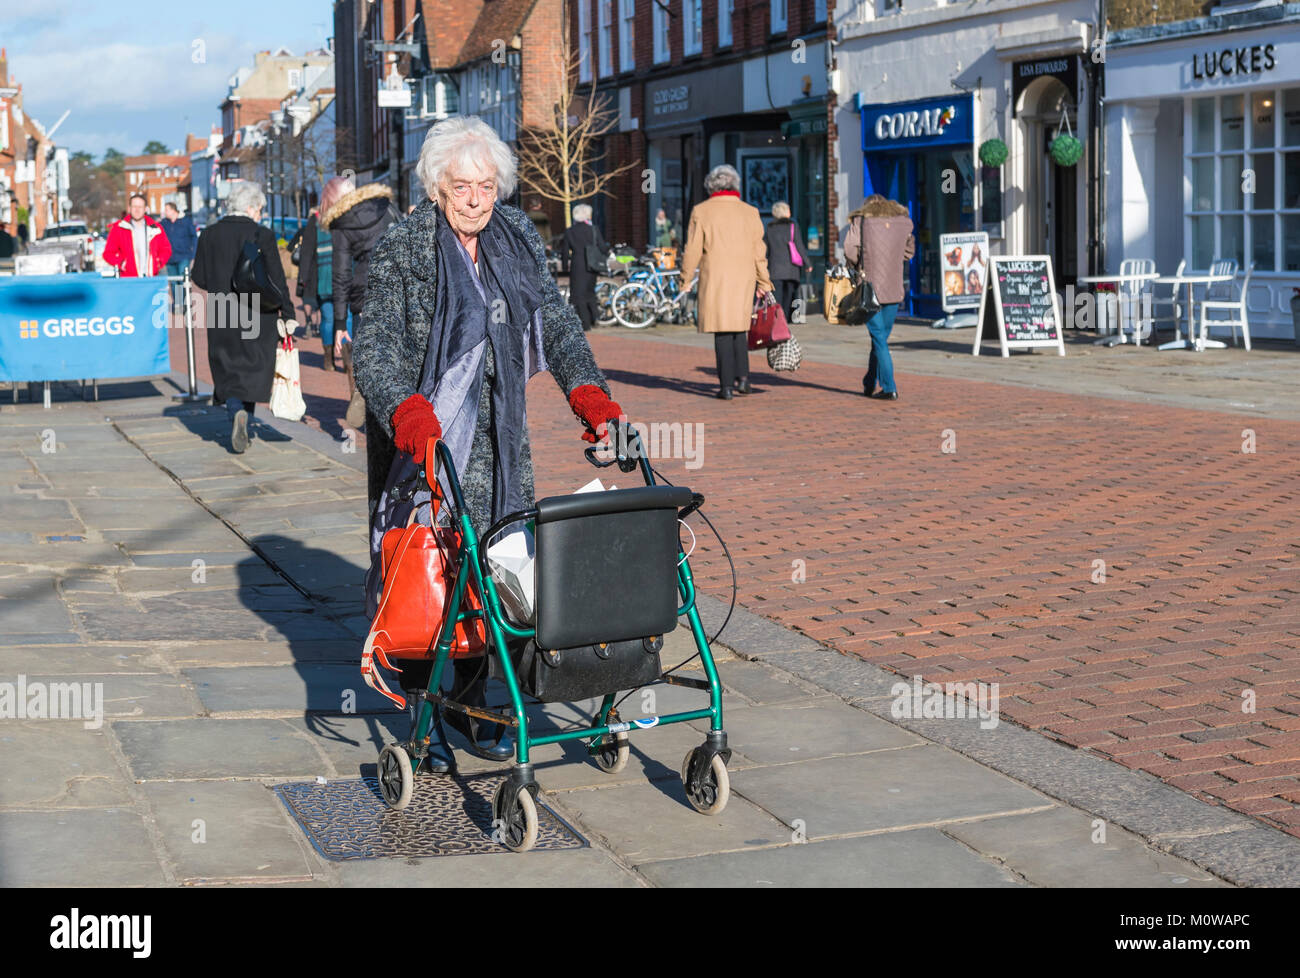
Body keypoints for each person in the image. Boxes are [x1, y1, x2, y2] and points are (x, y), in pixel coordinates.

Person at [353, 115, 628, 768]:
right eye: (461, 186)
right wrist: (409, 412)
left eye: (485, 185)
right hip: (425, 441)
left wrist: (588, 393)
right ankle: (424, 719)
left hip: (501, 443)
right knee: (428, 578)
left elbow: (555, 320)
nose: (475, 199)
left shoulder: (516, 237)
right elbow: (376, 346)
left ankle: (479, 709)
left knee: (497, 577)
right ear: (435, 186)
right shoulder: (405, 246)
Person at [190, 182, 295, 453]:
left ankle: (235, 409)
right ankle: (244, 416)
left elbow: (198, 277)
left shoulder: (209, 234)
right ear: (250, 207)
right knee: (253, 369)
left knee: (227, 367)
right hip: (259, 312)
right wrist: (288, 312)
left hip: (222, 311)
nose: (260, 213)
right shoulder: (262, 234)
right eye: (259, 208)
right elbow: (277, 278)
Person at [679, 164, 773, 400]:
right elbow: (758, 251)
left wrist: (686, 279)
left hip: (716, 277)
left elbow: (692, 249)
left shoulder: (702, 211)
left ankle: (726, 386)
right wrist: (764, 282)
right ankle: (743, 378)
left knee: (721, 330)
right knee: (739, 328)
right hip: (744, 277)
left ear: (711, 186)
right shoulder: (750, 212)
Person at [321, 174, 400, 428]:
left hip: (365, 297)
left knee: (367, 355)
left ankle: (364, 390)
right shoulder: (384, 204)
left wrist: (340, 324)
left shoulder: (341, 223)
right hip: (399, 291)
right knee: (397, 356)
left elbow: (342, 274)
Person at [842, 194, 915, 401]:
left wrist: (857, 264)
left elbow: (849, 250)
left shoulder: (861, 221)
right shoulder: (903, 222)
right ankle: (869, 381)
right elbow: (909, 252)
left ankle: (889, 387)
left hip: (869, 288)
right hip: (893, 287)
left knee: (879, 338)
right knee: (880, 338)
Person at [294, 205, 336, 370]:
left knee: (329, 317)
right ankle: (339, 360)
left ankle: (332, 360)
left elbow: (306, 251)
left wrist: (303, 277)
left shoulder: (316, 221)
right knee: (335, 317)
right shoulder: (345, 217)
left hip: (326, 276)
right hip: (333, 277)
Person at [562, 202, 609, 332]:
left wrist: (565, 267)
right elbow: (603, 248)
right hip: (592, 265)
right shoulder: (594, 230)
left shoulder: (570, 231)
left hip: (577, 266)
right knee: (590, 292)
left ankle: (585, 324)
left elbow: (565, 252)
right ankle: (595, 318)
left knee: (578, 295)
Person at [763, 200, 811, 323]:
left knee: (777, 297)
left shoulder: (769, 227)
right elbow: (799, 245)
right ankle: (788, 319)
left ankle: (778, 320)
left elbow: (765, 248)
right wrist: (807, 263)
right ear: (785, 212)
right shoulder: (792, 226)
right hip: (791, 268)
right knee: (789, 296)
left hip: (774, 268)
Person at [103, 193, 171, 277]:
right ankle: (178, 290)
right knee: (176, 283)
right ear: (129, 208)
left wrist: (159, 262)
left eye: (140, 207)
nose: (137, 210)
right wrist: (122, 263)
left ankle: (179, 290)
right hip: (129, 279)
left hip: (152, 277)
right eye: (134, 206)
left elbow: (166, 249)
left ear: (145, 209)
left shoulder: (156, 228)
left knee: (180, 283)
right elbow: (108, 253)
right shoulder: (119, 228)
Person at [159, 202, 198, 313]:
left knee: (183, 281)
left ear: (173, 210)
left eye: (167, 210)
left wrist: (193, 253)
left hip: (183, 256)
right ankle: (178, 305)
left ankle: (185, 304)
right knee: (174, 282)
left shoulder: (185, 221)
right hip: (169, 258)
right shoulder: (164, 223)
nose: (165, 212)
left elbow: (194, 237)